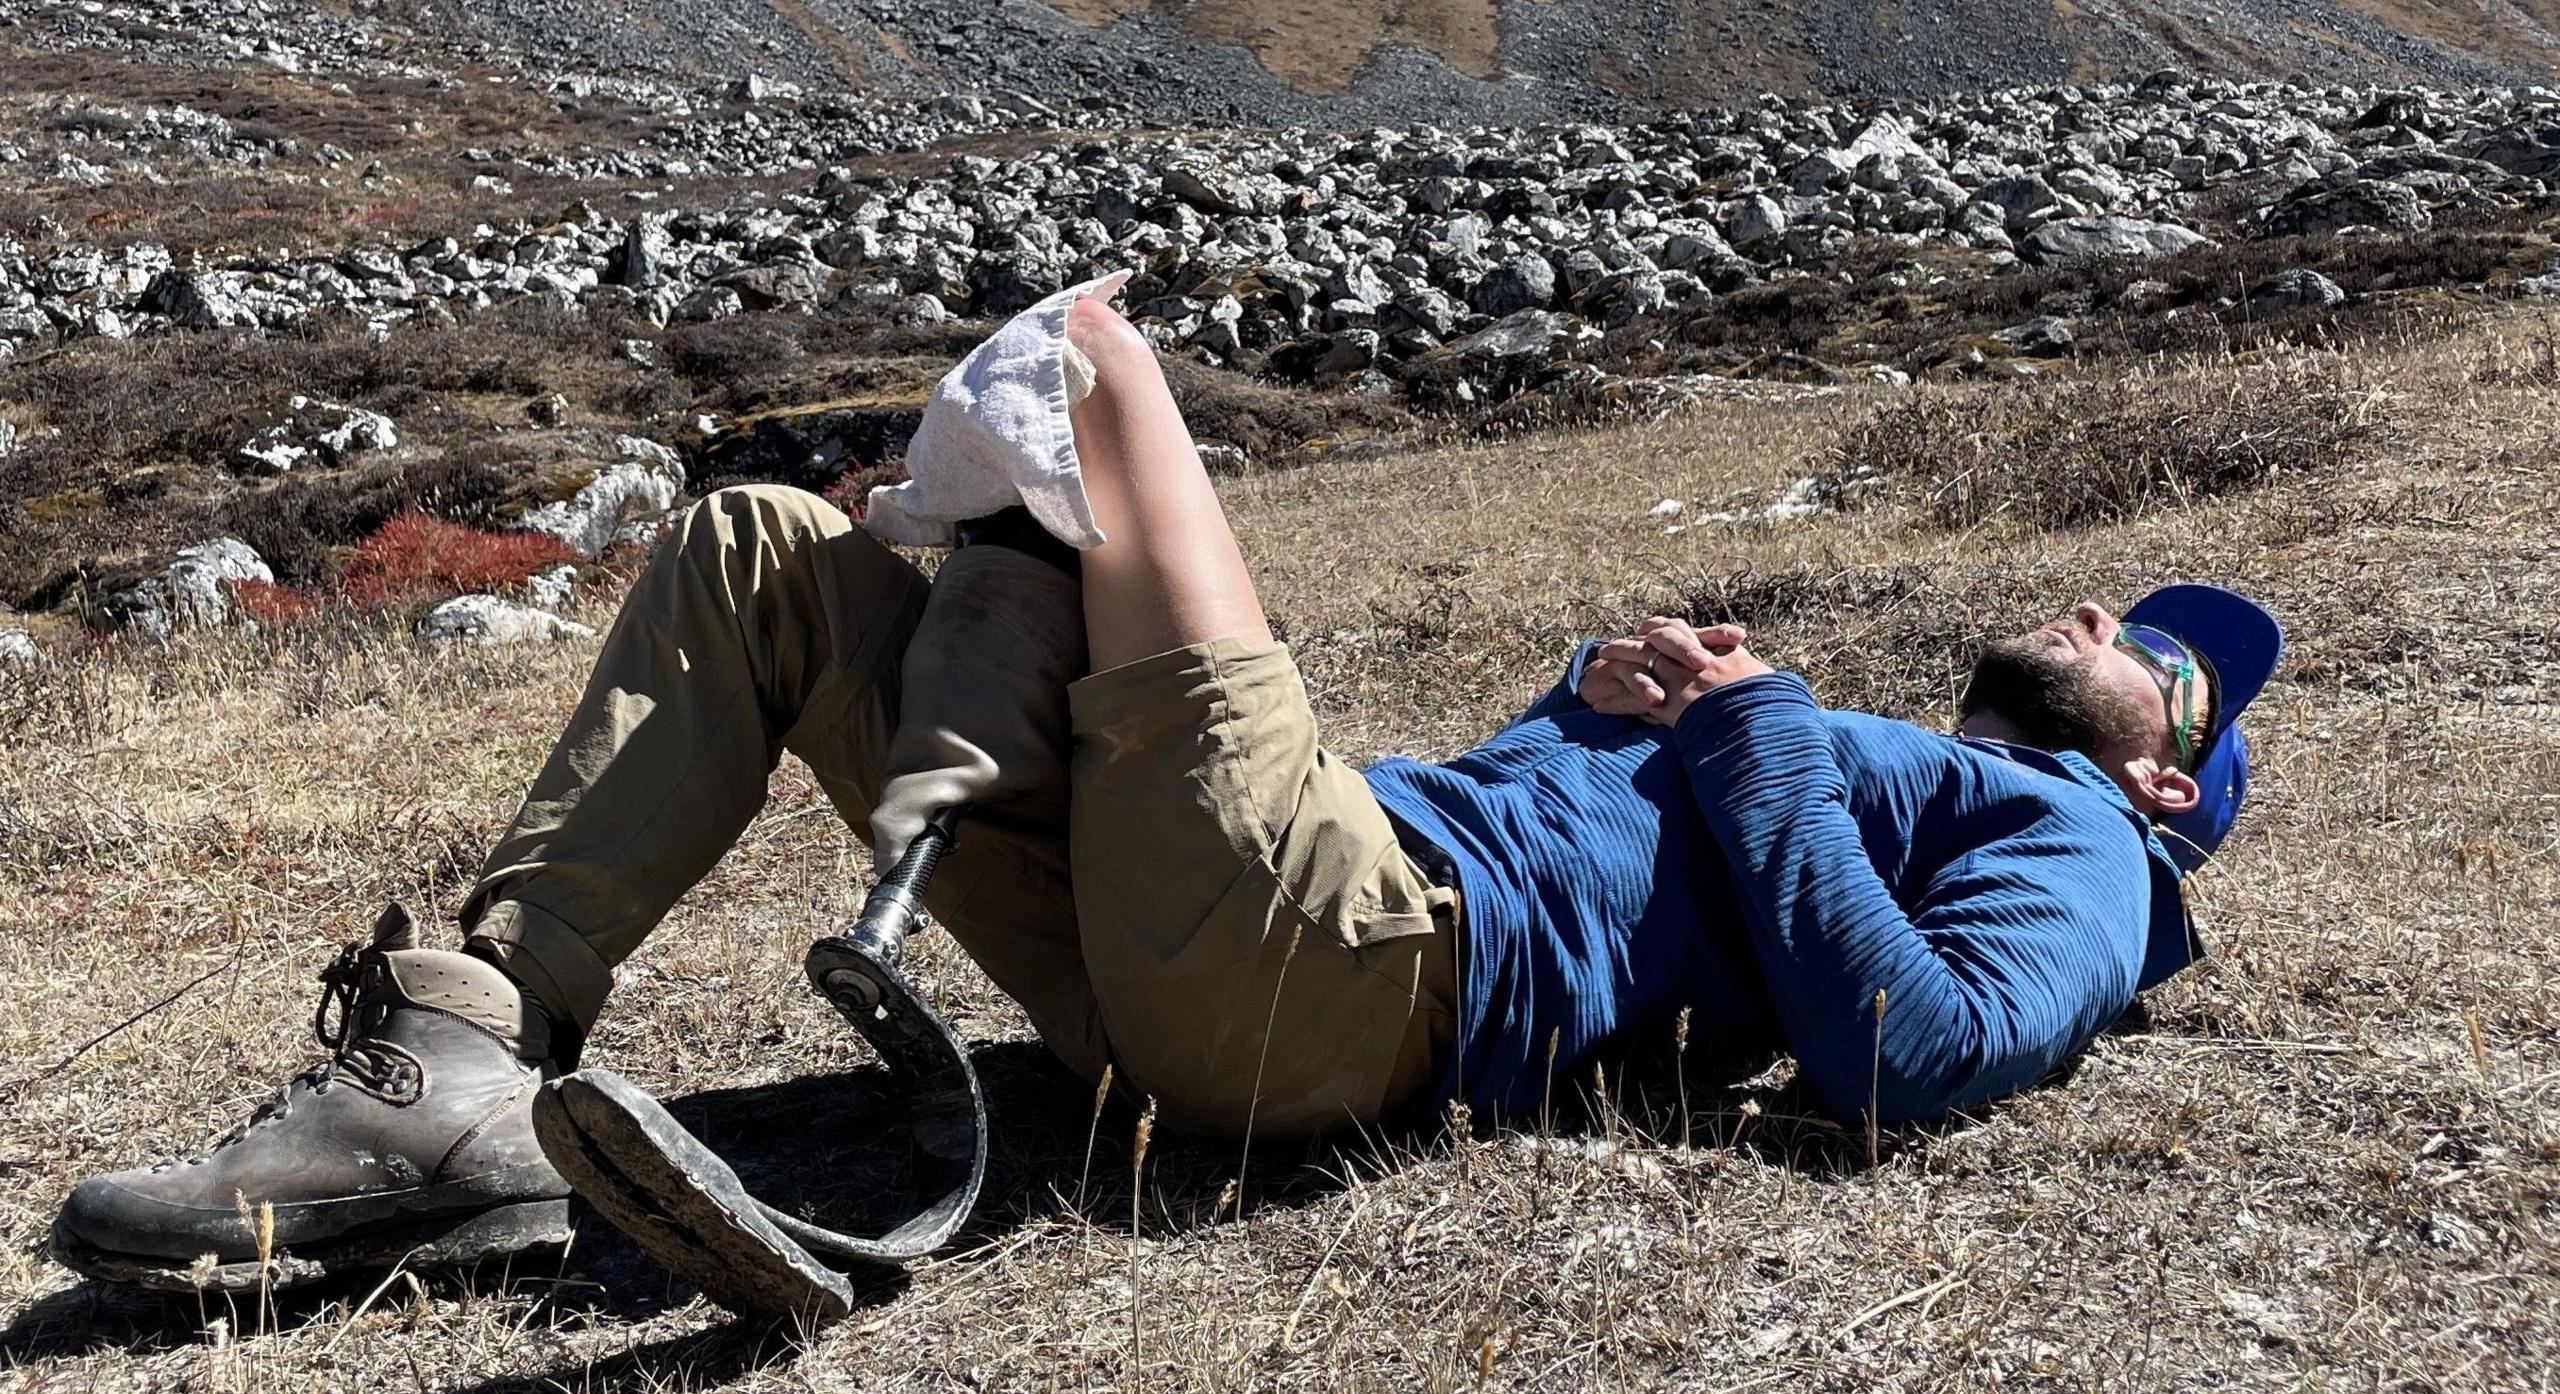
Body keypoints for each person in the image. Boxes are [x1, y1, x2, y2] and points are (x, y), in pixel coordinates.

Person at [50, 285, 2283, 1293]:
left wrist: (1742, 727)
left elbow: (1915, 1051)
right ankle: (456, 1066)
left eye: (2151, 660)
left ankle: (1005, 546)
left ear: (2170, 792)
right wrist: (1596, 710)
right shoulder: (1843, 753)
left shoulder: (2086, 849)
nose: (2102, 623)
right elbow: (1639, 863)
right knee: (762, 551)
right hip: (1243, 929)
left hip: (1349, 982)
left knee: (1097, 360)